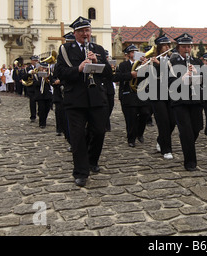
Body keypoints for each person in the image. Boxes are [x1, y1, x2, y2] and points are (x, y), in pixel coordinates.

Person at [55, 16, 113, 187]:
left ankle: (92, 160)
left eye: (87, 30)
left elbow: (109, 74)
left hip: (96, 98)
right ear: (75, 33)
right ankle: (80, 172)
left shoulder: (99, 49)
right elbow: (59, 72)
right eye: (81, 31)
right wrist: (78, 69)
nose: (85, 34)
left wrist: (97, 61)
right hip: (75, 99)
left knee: (99, 132)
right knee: (78, 136)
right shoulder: (65, 49)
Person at [168, 33, 204, 171]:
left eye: (189, 46)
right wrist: (183, 78)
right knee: (186, 132)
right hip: (180, 101)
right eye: (184, 47)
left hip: (195, 100)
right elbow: (169, 83)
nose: (187, 49)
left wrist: (197, 74)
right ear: (178, 48)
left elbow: (205, 82)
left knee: (197, 128)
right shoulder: (172, 63)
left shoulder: (197, 62)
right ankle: (190, 162)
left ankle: (188, 144)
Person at [144, 35, 176, 159]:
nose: (167, 47)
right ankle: (166, 149)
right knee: (163, 121)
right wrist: (149, 64)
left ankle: (160, 140)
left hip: (170, 93)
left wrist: (161, 64)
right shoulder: (151, 59)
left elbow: (173, 74)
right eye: (165, 45)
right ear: (159, 47)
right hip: (156, 93)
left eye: (168, 45)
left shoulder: (172, 59)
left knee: (172, 121)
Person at [113, 44, 151, 148]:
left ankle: (140, 132)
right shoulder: (123, 65)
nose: (135, 54)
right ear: (128, 54)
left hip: (141, 93)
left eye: (136, 52)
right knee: (131, 118)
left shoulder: (143, 64)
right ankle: (131, 139)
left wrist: (146, 67)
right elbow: (117, 77)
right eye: (133, 52)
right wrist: (131, 75)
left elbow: (148, 77)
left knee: (145, 113)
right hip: (128, 94)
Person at [32, 62, 53, 129]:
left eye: (45, 68)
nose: (44, 69)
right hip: (40, 95)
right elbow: (35, 84)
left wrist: (47, 78)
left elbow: (52, 82)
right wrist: (42, 79)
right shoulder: (36, 75)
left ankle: (44, 118)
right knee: (42, 109)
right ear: (40, 68)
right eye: (43, 68)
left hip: (48, 94)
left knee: (47, 108)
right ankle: (42, 123)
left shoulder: (49, 75)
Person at [22, 56, 39, 122]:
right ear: (31, 61)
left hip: (38, 87)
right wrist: (29, 73)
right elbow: (23, 77)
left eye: (36, 60)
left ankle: (40, 113)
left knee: (41, 102)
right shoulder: (27, 69)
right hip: (31, 87)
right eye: (34, 60)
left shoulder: (40, 67)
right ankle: (33, 116)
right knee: (32, 102)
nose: (35, 62)